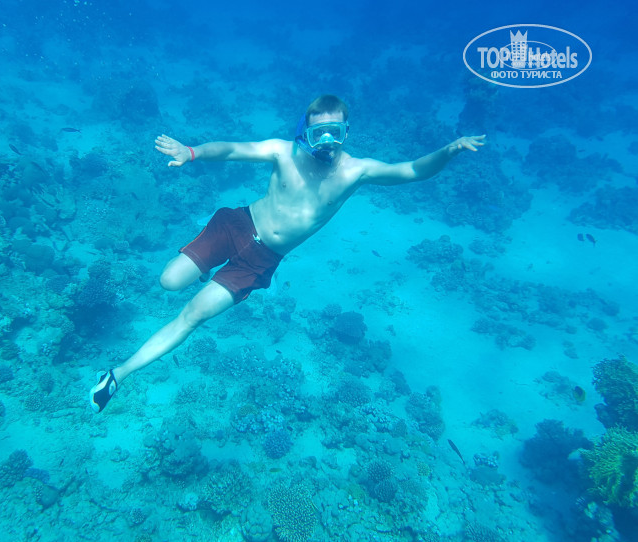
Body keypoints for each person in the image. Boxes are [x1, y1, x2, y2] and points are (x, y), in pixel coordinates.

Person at [89, 94, 485, 412]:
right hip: (235, 225)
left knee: (193, 315)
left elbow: (412, 171)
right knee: (169, 281)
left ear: (346, 132)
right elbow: (233, 149)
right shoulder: (284, 152)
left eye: (334, 132)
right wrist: (192, 152)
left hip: (260, 261)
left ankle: (118, 375)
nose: (326, 141)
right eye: (318, 132)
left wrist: (448, 151)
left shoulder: (356, 172)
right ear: (305, 132)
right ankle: (203, 266)